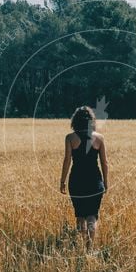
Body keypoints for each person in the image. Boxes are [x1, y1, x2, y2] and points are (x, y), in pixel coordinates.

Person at [59, 106, 108, 248]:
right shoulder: (99, 138)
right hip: (95, 181)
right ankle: (89, 248)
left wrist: (62, 181)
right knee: (92, 215)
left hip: (77, 181)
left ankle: (82, 245)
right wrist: (106, 182)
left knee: (80, 215)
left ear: (75, 121)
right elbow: (104, 162)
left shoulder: (70, 138)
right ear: (91, 121)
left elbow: (67, 161)